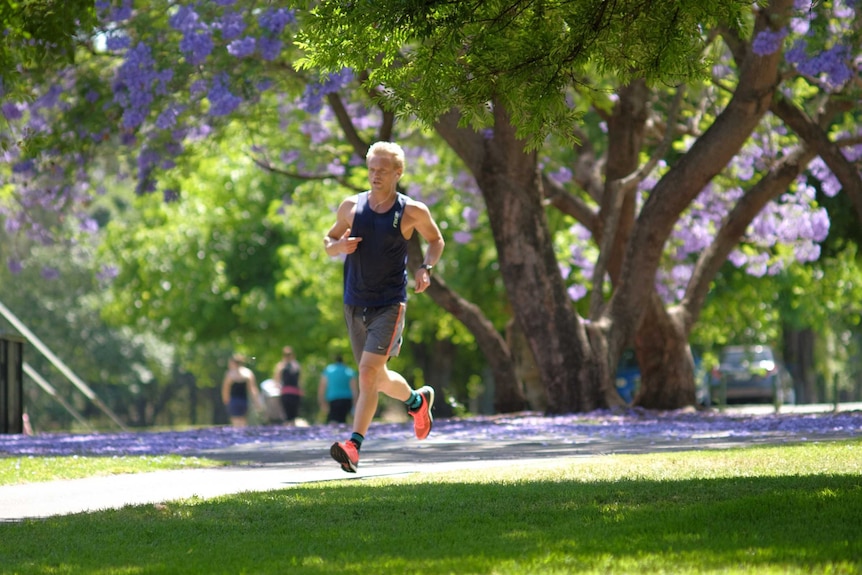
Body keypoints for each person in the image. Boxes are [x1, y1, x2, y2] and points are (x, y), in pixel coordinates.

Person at [323, 141, 445, 472]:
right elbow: (328, 241)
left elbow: (436, 240)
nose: (375, 175)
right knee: (376, 378)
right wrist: (339, 247)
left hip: (390, 304)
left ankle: (354, 445)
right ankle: (417, 402)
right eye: (371, 169)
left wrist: (426, 268)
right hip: (354, 302)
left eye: (382, 170)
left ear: (398, 173)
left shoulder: (411, 210)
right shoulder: (350, 206)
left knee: (366, 375)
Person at [221, 353, 260, 427]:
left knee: (235, 421)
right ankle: (242, 436)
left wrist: (225, 399)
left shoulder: (230, 374)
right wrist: (256, 402)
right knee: (243, 421)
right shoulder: (248, 373)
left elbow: (226, 388)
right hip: (244, 400)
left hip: (233, 400)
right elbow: (252, 389)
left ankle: (237, 436)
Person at [318, 354, 358, 424]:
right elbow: (354, 389)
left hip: (333, 398)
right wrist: (355, 402)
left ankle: (334, 434)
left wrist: (321, 400)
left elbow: (322, 386)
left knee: (333, 420)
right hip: (347, 399)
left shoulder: (328, 370)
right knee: (343, 420)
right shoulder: (349, 371)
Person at [274, 346, 303, 425]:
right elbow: (277, 379)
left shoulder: (296, 365)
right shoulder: (281, 366)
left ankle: (293, 433)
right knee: (286, 416)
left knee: (294, 416)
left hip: (295, 393)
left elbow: (300, 380)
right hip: (285, 392)